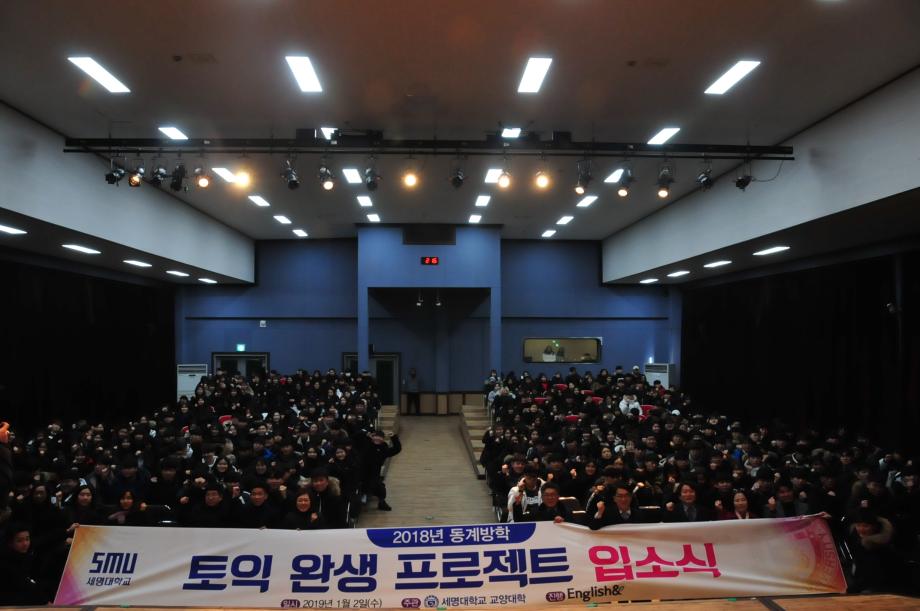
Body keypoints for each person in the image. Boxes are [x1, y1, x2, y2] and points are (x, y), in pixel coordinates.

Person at [0, 524, 52, 604]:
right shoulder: (6, 562)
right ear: (10, 543)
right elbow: (24, 584)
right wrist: (45, 602)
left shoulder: (24, 555)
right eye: (19, 541)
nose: (25, 544)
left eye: (27, 539)